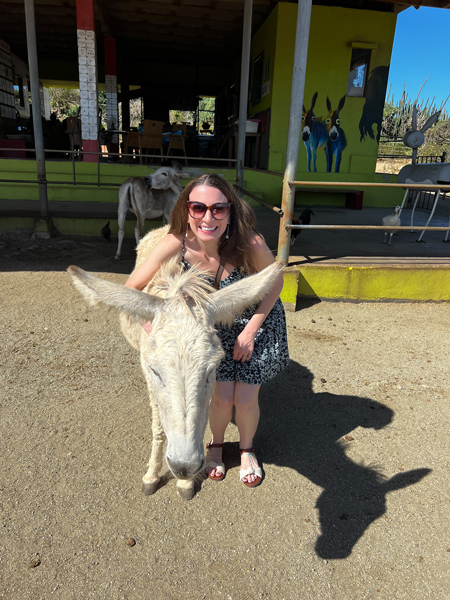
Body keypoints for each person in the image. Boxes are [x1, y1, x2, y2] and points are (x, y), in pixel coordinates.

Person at [125, 174, 289, 487]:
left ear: (231, 211)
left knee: (244, 399)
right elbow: (133, 288)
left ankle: (246, 450)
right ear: (186, 210)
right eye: (198, 208)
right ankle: (215, 444)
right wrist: (154, 328)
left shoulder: (248, 243)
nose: (207, 217)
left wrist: (251, 331)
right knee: (219, 396)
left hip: (254, 320)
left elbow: (275, 282)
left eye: (218, 209)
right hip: (210, 329)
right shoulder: (177, 241)